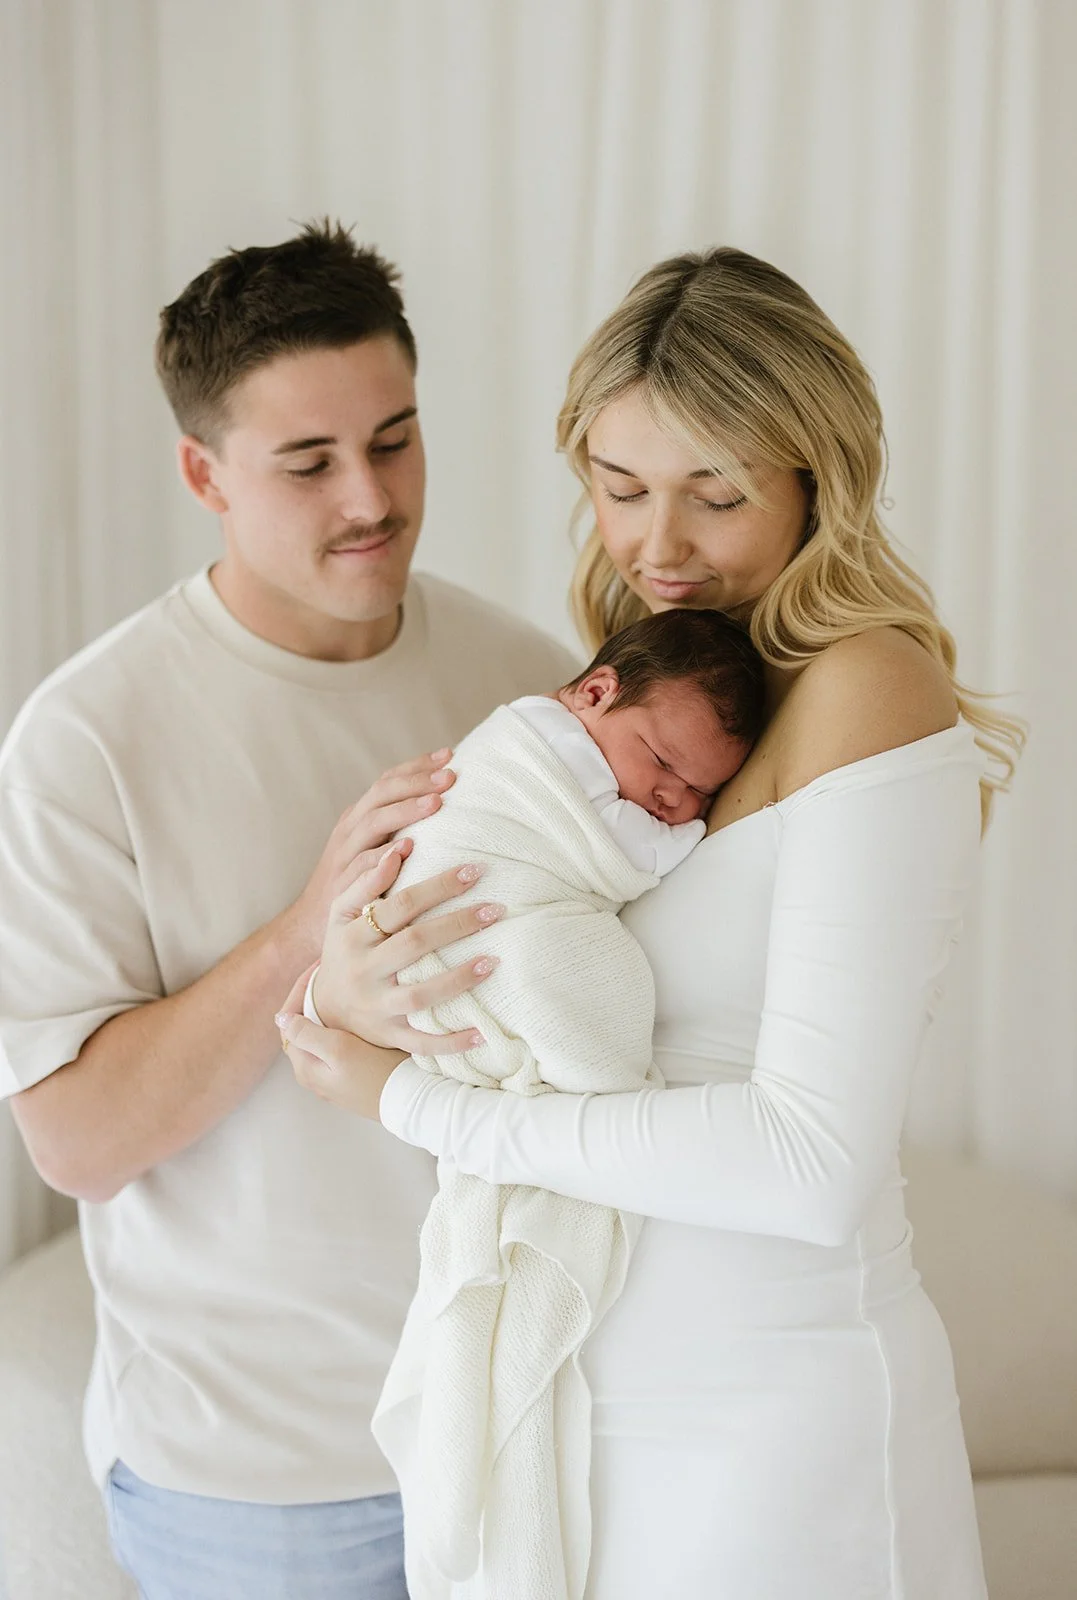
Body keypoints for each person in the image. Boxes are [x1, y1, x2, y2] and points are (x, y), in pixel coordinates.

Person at [278, 246, 1025, 1600]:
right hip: (585, 1402)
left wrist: (412, 1106)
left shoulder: (868, 688)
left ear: (818, 477)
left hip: (770, 1426)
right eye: (619, 491)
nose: (658, 545)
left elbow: (809, 1162)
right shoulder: (638, 719)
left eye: (716, 494)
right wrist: (367, 978)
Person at [0, 221, 579, 1600]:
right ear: (203, 472)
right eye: (308, 463)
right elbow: (74, 1140)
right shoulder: (87, 737)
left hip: (521, 1432)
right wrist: (306, 934)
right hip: (260, 1491)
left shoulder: (529, 683)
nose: (369, 498)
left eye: (394, 439)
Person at [300, 606, 763, 1598]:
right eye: (658, 763)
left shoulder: (595, 747)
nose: (670, 801)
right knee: (571, 973)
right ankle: (567, 1078)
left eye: (698, 793)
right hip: (476, 915)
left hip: (458, 981)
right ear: (593, 695)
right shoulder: (539, 755)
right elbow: (605, 862)